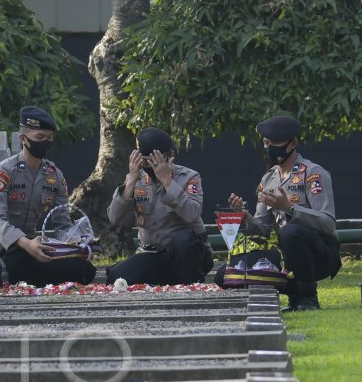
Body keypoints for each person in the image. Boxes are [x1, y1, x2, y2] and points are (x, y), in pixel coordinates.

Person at [224, 115, 340, 311]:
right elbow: (261, 230)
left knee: (290, 232)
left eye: (275, 142)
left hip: (319, 253)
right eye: (266, 143)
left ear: (293, 143)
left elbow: (328, 223)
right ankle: (294, 295)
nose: (270, 147)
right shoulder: (268, 179)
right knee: (224, 276)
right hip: (286, 253)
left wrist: (290, 208)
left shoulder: (312, 174)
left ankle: (308, 297)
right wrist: (243, 214)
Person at [0, 106, 96, 286]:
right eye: (39, 138)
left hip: (34, 245)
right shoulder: (4, 172)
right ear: (23, 139)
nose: (45, 142)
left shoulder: (54, 176)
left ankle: (31, 278)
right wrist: (25, 244)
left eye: (49, 138)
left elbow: (62, 223)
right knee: (15, 263)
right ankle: (31, 277)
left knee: (83, 269)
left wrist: (77, 245)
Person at [105, 128, 213, 285]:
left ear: (170, 156)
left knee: (183, 240)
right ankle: (167, 280)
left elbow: (192, 214)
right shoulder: (136, 179)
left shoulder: (189, 177)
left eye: (154, 160)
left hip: (189, 254)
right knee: (117, 277)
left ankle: (192, 285)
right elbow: (114, 219)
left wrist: (167, 181)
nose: (150, 166)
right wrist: (131, 182)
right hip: (152, 253)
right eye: (145, 161)